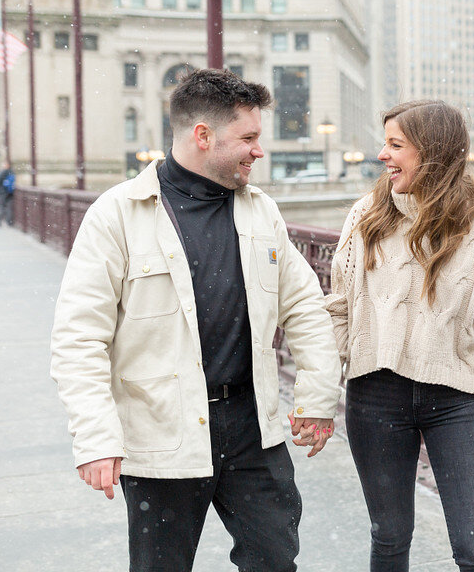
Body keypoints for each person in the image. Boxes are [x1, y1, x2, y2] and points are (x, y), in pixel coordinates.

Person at [50, 68, 341, 571]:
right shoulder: (117, 215)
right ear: (202, 136)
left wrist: (317, 399)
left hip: (254, 427)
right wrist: (96, 440)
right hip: (162, 429)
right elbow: (79, 339)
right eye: (248, 138)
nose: (258, 150)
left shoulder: (261, 211)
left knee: (274, 560)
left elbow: (306, 309)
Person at [325, 100, 474, 571]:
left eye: (396, 145)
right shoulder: (365, 216)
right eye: (384, 143)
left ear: (434, 153)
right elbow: (339, 312)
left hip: (458, 400)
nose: (382, 155)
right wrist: (321, 399)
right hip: (375, 394)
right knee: (389, 538)